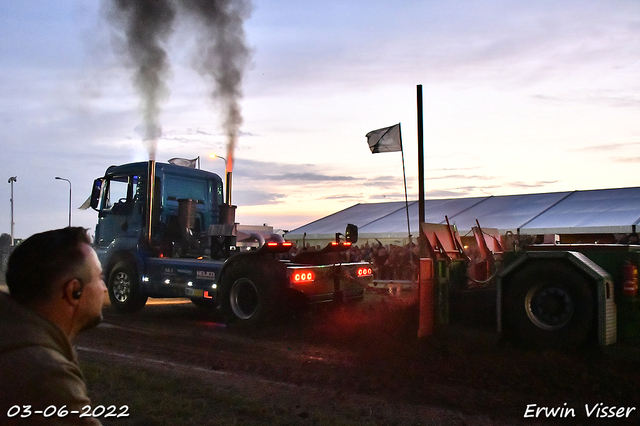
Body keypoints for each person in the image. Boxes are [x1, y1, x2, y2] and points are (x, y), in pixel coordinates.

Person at [0, 227, 107, 425]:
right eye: (99, 278)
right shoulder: (47, 377)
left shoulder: (10, 338)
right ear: (74, 291)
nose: (104, 288)